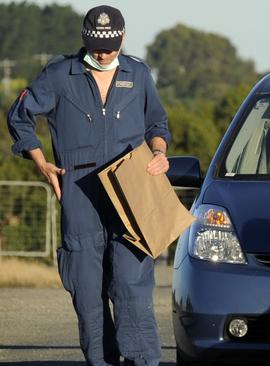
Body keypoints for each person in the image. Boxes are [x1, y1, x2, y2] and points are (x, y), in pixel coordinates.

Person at [6, 5, 170, 365]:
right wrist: (41, 163)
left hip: (131, 195)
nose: (103, 53)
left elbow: (157, 124)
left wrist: (159, 153)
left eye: (110, 46)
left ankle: (143, 361)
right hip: (79, 194)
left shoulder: (138, 74)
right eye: (97, 45)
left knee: (131, 286)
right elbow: (20, 116)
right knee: (87, 291)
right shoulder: (59, 75)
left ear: (122, 39)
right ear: (84, 38)